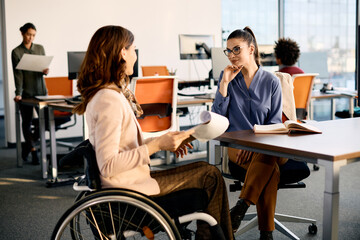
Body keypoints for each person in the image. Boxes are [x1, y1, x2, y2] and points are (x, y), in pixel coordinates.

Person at [72, 25, 233, 240]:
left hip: (133, 181)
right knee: (210, 175)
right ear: (122, 52)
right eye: (133, 50)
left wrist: (164, 140)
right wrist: (157, 145)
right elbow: (108, 165)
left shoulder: (107, 95)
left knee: (207, 172)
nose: (135, 56)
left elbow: (123, 144)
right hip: (130, 191)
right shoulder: (108, 100)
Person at [212, 27, 287, 240]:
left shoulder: (271, 81)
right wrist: (224, 84)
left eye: (237, 49)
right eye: (228, 51)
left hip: (270, 144)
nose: (232, 55)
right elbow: (217, 119)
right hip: (239, 147)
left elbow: (274, 123)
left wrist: (254, 144)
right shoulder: (227, 78)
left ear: (251, 49)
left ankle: (242, 205)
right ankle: (266, 233)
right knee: (271, 170)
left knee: (268, 153)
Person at [11, 22, 49, 165]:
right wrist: (18, 92)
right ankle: (32, 149)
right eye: (28, 34)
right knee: (26, 122)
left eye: (33, 35)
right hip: (26, 92)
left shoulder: (40, 48)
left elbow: (43, 68)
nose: (30, 38)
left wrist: (45, 71)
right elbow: (18, 74)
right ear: (22, 33)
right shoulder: (16, 52)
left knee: (44, 121)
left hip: (41, 91)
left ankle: (26, 146)